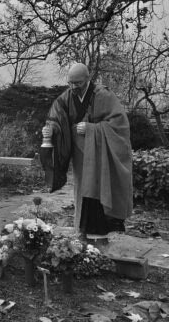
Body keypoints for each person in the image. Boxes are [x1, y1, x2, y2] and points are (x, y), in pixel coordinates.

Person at [42, 63, 133, 244]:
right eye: (71, 83)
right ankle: (83, 231)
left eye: (78, 83)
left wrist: (92, 129)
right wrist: (50, 129)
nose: (74, 87)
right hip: (80, 154)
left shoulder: (103, 95)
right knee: (82, 191)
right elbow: (56, 117)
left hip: (100, 154)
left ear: (88, 79)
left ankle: (102, 233)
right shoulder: (67, 96)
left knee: (99, 188)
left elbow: (119, 124)